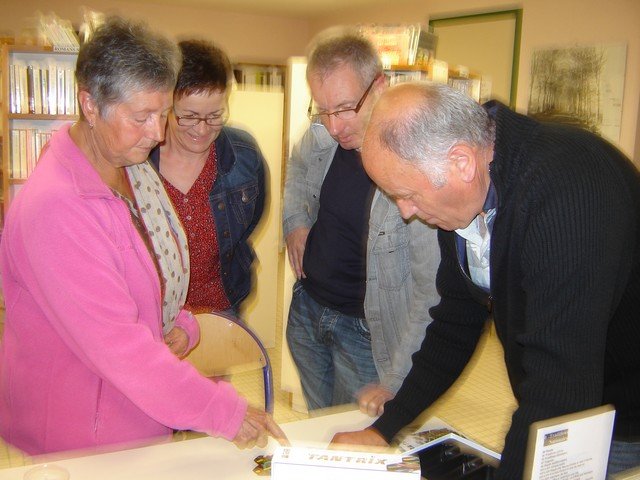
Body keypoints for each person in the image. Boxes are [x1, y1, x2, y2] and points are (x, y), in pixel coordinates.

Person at [0, 16, 284, 456]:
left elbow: (150, 284)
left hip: (132, 416)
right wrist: (223, 410)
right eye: (142, 117)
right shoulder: (56, 207)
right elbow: (120, 349)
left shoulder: (131, 170)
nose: (157, 132)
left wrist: (182, 323)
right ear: (90, 105)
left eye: (163, 112)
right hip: (80, 437)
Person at [331, 82, 640, 479]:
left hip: (621, 414)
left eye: (405, 194)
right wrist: (384, 428)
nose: (406, 212)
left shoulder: (567, 189)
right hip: (571, 394)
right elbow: (454, 322)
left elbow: (559, 385)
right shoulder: (461, 194)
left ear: (461, 162)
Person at [282, 27, 439, 412]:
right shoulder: (322, 136)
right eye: (323, 110)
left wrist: (398, 377)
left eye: (345, 108)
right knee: (320, 424)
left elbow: (429, 292)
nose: (334, 127)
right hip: (307, 312)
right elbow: (298, 171)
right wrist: (294, 223)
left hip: (365, 334)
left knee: (352, 441)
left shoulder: (416, 165)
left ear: (380, 85)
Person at [149, 39, 265, 316]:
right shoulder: (139, 159)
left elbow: (250, 221)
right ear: (167, 105)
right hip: (157, 314)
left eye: (214, 116)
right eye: (188, 116)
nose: (202, 130)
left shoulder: (244, 155)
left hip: (222, 306)